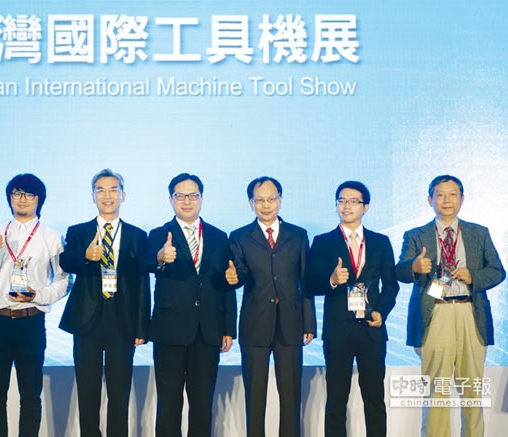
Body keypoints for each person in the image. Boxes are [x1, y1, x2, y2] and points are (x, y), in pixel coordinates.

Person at [396, 175, 505, 437]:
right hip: (435, 313)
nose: (447, 200)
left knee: (472, 390)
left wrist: (473, 276)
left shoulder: (479, 233)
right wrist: (414, 267)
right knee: (437, 389)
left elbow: (497, 271)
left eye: (453, 194)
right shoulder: (416, 235)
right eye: (440, 194)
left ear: (462, 199)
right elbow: (399, 271)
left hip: (470, 313)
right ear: (429, 200)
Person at [0, 173, 69, 437]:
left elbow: (64, 282)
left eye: (29, 194)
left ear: (39, 199)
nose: (22, 199)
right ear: (9, 198)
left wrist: (38, 295)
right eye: (16, 193)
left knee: (30, 394)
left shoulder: (51, 236)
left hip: (31, 322)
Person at [144, 173, 237, 437]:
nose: (187, 201)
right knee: (169, 403)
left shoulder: (219, 237)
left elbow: (227, 283)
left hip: (208, 331)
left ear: (201, 198)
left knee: (202, 404)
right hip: (170, 331)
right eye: (180, 196)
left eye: (193, 195)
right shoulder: (159, 234)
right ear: (171, 200)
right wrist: (160, 256)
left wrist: (228, 328)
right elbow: (147, 262)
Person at [59, 169, 150, 437]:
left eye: (113, 189)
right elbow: (66, 262)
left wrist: (142, 327)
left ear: (123, 195)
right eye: (100, 190)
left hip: (123, 322)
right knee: (87, 392)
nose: (107, 195)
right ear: (92, 196)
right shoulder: (78, 231)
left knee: (119, 394)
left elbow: (142, 283)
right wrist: (85, 256)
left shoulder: (137, 235)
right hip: (86, 320)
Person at [306, 181, 399, 437]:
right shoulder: (323, 242)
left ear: (365, 207)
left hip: (372, 329)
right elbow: (310, 283)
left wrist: (381, 312)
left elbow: (391, 285)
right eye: (341, 201)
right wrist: (332, 280)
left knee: (375, 399)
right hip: (338, 330)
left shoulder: (380, 242)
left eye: (353, 201)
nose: (346, 206)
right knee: (336, 399)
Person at [226, 176, 316, 437]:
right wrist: (233, 278)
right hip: (255, 324)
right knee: (255, 399)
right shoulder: (239, 236)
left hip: (291, 323)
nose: (266, 205)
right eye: (260, 200)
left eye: (271, 199)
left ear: (280, 200)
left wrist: (309, 323)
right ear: (250, 203)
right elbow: (239, 274)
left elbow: (305, 280)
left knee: (291, 397)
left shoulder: (298, 235)